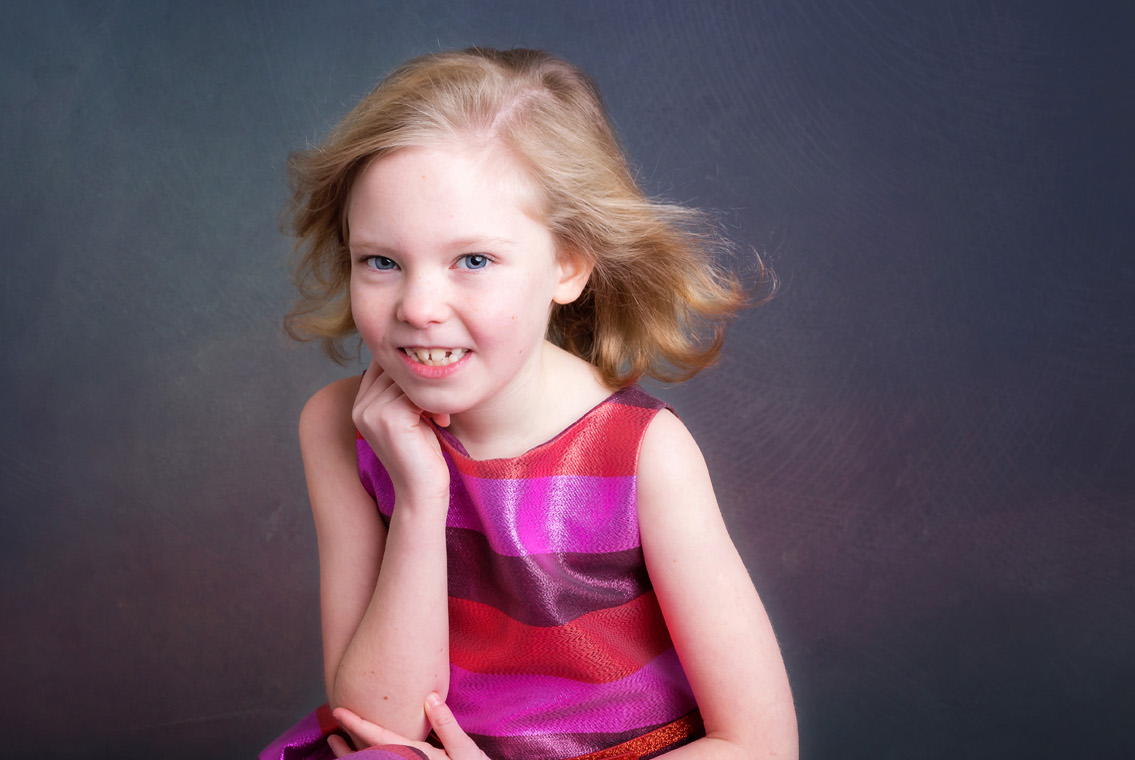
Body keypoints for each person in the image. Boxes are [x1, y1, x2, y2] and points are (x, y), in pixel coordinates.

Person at [260, 47, 797, 760]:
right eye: (381, 262)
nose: (419, 308)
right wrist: (422, 497)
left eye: (473, 261)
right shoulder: (339, 427)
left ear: (568, 264)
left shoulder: (641, 453)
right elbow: (375, 721)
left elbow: (759, 744)